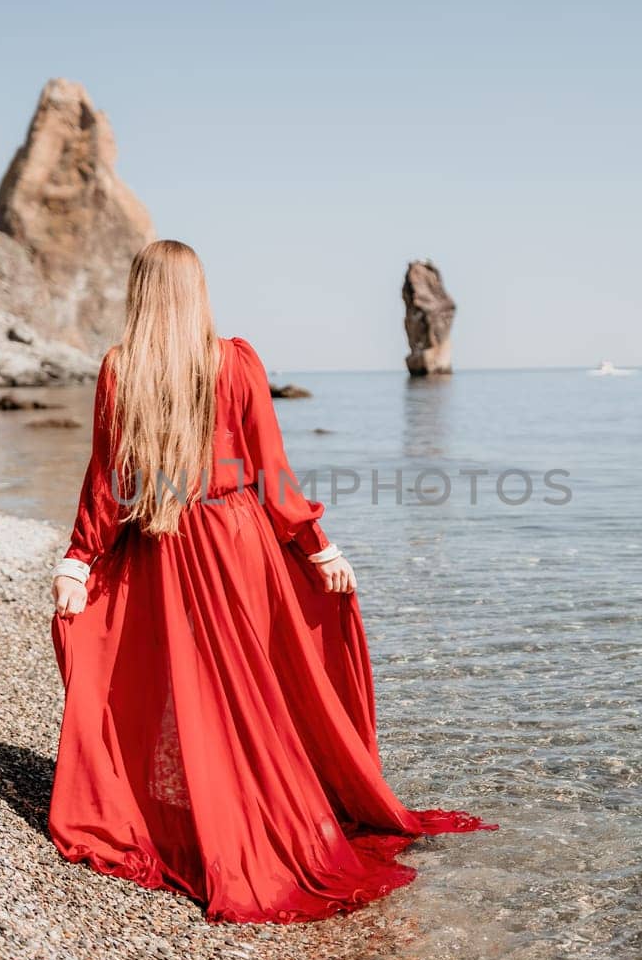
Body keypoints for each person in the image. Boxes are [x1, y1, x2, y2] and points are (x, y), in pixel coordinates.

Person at [48, 239, 490, 923]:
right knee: (252, 688)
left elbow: (109, 481)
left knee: (185, 688)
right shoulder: (235, 361)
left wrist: (80, 559)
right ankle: (255, 812)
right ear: (196, 291)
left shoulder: (121, 368)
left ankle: (196, 816)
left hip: (162, 548)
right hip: (236, 539)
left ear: (140, 293)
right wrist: (317, 544)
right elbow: (273, 473)